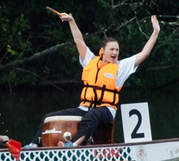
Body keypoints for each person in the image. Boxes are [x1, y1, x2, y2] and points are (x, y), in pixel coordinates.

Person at [59, 12, 160, 145]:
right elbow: (79, 41)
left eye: (117, 50)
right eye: (112, 49)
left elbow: (144, 53)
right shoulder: (90, 60)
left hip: (107, 109)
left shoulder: (121, 67)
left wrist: (155, 32)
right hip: (85, 107)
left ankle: (73, 145)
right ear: (102, 51)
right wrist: (71, 20)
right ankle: (34, 145)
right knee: (51, 116)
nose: (115, 53)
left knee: (92, 115)